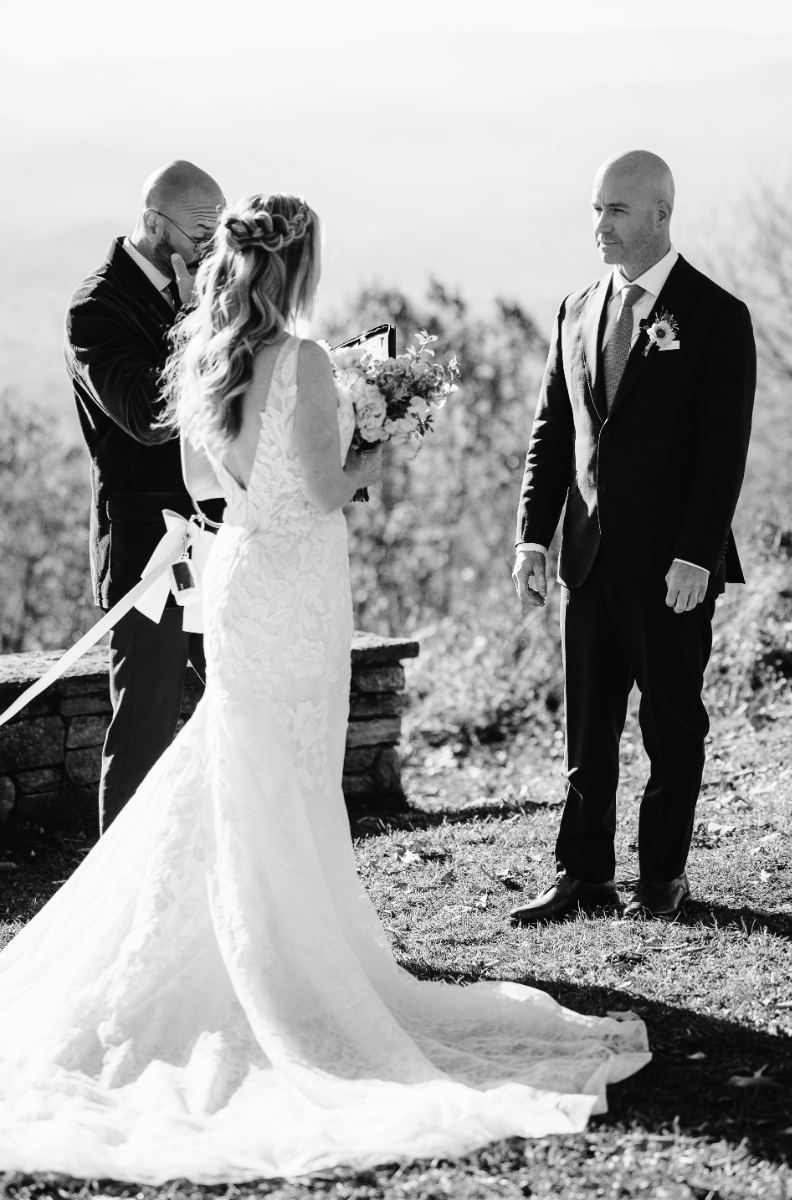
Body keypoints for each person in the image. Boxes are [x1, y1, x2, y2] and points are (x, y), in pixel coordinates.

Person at [0, 192, 648, 1183]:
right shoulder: (298, 358)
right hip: (296, 583)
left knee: (243, 761)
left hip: (238, 571)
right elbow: (321, 488)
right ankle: (291, 966)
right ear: (299, 264)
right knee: (293, 768)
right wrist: (382, 443)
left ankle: (237, 943)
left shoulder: (198, 348)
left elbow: (202, 482)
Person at [510, 150, 756, 924]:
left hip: (671, 567)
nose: (601, 226)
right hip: (587, 559)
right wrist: (531, 539)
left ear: (660, 213)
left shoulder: (716, 315)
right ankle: (582, 875)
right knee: (587, 731)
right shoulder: (576, 308)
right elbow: (553, 433)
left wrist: (695, 554)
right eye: (595, 209)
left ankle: (660, 881)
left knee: (671, 727)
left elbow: (723, 452)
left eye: (616, 210)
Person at [65, 159, 226, 832]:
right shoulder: (96, 308)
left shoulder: (208, 291)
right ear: (156, 224)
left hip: (220, 539)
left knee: (238, 706)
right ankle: (122, 883)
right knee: (143, 731)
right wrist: (193, 322)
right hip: (148, 554)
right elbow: (147, 416)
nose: (214, 248)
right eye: (202, 233)